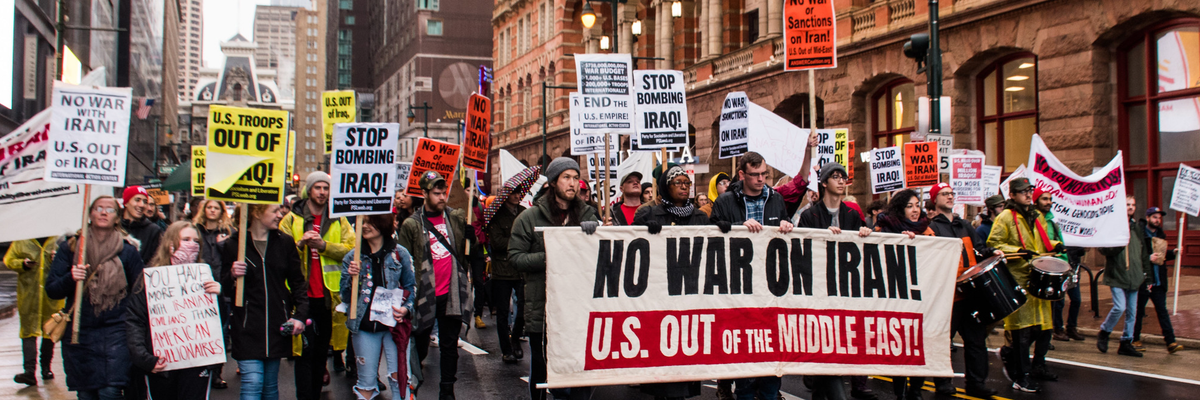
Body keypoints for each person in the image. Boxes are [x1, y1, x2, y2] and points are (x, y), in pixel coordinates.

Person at [509, 157, 600, 400]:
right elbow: (516, 259)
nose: (573, 183)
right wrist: (552, 254)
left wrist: (599, 233)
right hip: (543, 306)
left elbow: (604, 257)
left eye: (575, 177)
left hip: (579, 306)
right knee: (541, 368)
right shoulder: (529, 218)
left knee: (580, 369)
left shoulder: (589, 214)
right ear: (552, 182)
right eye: (566, 178)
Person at [709, 152, 794, 400]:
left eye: (764, 174)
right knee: (745, 349)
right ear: (742, 175)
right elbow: (712, 234)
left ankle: (770, 392)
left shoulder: (776, 199)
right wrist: (737, 228)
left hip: (770, 286)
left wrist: (787, 225)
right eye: (755, 174)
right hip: (739, 287)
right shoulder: (725, 202)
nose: (760, 179)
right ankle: (743, 390)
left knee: (771, 346)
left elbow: (785, 224)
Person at [45, 196, 146, 400]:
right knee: (86, 392)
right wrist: (70, 278)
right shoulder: (71, 248)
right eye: (98, 208)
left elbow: (140, 292)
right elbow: (52, 290)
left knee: (110, 391)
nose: (103, 212)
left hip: (116, 331)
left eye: (109, 210)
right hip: (79, 333)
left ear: (117, 218)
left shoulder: (128, 251)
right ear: (89, 214)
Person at [396, 171, 474, 400]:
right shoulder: (411, 224)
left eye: (443, 193)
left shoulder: (456, 217)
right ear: (425, 194)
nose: (441, 197)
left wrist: (473, 238)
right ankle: (413, 384)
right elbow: (403, 261)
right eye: (436, 193)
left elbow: (467, 253)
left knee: (449, 346)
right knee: (418, 344)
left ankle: (447, 390)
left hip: (451, 293)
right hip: (424, 295)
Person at [796, 161, 870, 400]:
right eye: (835, 177)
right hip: (819, 293)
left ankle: (815, 377)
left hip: (844, 293)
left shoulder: (852, 214)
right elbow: (803, 251)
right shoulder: (810, 215)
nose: (841, 181)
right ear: (825, 183)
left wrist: (866, 234)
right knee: (827, 350)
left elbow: (863, 249)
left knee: (832, 354)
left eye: (843, 177)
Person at [279, 171, 356, 399]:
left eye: (325, 188)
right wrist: (300, 243)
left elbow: (351, 251)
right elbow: (280, 253)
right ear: (309, 190)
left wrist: (324, 245)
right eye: (318, 188)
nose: (322, 192)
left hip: (327, 298)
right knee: (304, 352)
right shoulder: (291, 219)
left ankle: (314, 393)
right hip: (300, 298)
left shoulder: (338, 218)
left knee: (322, 352)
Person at [633, 163, 707, 399]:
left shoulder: (699, 216)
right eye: (678, 183)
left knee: (685, 350)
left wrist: (723, 230)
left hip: (689, 294)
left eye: (687, 183)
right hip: (659, 293)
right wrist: (644, 230)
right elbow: (630, 244)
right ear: (666, 187)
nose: (684, 187)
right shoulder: (649, 213)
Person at [125, 221, 223, 399]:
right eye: (186, 239)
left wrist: (218, 297)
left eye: (196, 241)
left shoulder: (205, 277)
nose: (192, 245)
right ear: (170, 245)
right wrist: (145, 359)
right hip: (162, 366)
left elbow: (218, 322)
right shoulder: (150, 278)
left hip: (197, 363)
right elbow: (135, 320)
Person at [223, 203, 308, 400]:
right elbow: (225, 288)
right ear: (256, 212)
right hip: (247, 325)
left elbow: (298, 282)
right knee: (252, 382)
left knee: (269, 386)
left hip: (277, 323)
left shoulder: (285, 242)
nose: (280, 215)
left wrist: (299, 315)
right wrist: (232, 275)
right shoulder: (234, 244)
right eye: (275, 211)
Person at [926, 183, 1002, 399]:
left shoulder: (965, 225)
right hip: (949, 296)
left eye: (951, 193)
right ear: (935, 199)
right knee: (944, 342)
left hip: (970, 292)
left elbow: (978, 248)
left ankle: (976, 383)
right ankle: (943, 383)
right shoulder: (932, 228)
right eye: (944, 194)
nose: (950, 197)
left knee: (976, 341)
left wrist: (990, 252)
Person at [987, 178, 1064, 393]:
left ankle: (1012, 355)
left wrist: (1057, 246)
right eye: (1023, 192)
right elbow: (994, 244)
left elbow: (1043, 243)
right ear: (1012, 195)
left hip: (1037, 281)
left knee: (1042, 330)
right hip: (1018, 280)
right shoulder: (1005, 217)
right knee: (1021, 332)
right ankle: (1021, 376)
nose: (1028, 195)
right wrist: (1017, 251)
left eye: (1030, 191)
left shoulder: (1036, 216)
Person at [341, 213, 417, 400]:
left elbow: (411, 288)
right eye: (362, 222)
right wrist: (352, 278)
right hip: (365, 327)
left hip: (394, 326)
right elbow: (344, 296)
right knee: (366, 385)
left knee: (399, 378)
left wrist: (406, 309)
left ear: (382, 224)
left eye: (370, 222)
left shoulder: (400, 254)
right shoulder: (352, 257)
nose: (365, 226)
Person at [872, 189, 933, 400]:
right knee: (900, 346)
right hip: (896, 297)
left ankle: (915, 390)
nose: (915, 210)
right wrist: (899, 240)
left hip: (920, 296)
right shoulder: (885, 227)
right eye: (910, 206)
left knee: (920, 345)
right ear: (900, 208)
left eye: (917, 205)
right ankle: (900, 392)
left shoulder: (927, 230)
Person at [482, 166, 541, 365]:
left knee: (523, 308)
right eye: (513, 192)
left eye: (519, 192)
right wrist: (517, 242)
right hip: (502, 270)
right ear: (506, 194)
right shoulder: (496, 215)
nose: (517, 195)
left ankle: (515, 338)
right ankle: (506, 350)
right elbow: (496, 242)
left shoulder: (525, 213)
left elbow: (532, 237)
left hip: (521, 269)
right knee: (503, 313)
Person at [1096, 196, 1153, 358]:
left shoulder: (1136, 227)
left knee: (1132, 312)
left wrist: (1147, 277)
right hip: (1117, 274)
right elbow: (1104, 249)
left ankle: (1126, 341)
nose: (1130, 207)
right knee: (1120, 307)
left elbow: (1143, 253)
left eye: (1133, 205)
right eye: (1127, 204)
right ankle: (1105, 331)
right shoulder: (1114, 226)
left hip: (1134, 275)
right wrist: (1118, 246)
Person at [5, 236, 63, 386]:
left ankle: (46, 368)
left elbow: (71, 263)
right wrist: (22, 264)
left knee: (49, 331)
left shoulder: (57, 241)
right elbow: (9, 260)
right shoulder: (22, 240)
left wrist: (58, 259)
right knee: (28, 333)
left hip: (51, 297)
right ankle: (29, 372)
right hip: (29, 297)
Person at [193, 199, 235, 388]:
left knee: (220, 331)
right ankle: (200, 370)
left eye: (216, 208)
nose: (212, 210)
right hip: (198, 288)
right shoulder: (194, 230)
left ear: (221, 211)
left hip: (221, 288)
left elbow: (234, 257)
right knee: (200, 331)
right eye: (209, 207)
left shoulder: (228, 233)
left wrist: (222, 245)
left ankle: (217, 372)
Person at [1133, 207, 1183, 353]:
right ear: (1147, 218)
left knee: (1162, 311)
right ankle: (1134, 339)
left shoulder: (1160, 234)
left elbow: (1160, 255)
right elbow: (1135, 254)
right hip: (1144, 280)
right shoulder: (1140, 233)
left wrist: (1172, 253)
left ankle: (1170, 341)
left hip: (1158, 281)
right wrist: (1148, 258)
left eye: (1159, 218)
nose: (1157, 220)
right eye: (1154, 217)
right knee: (1138, 311)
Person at [1038, 190, 1085, 343]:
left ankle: (1069, 327)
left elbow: (1058, 241)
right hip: (1046, 266)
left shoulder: (1052, 221)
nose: (1048, 202)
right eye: (1044, 199)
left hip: (1064, 264)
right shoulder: (1035, 221)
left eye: (1050, 199)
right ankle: (1052, 332)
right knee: (1055, 302)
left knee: (1074, 299)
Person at [122, 186, 163, 264]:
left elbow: (156, 261)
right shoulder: (115, 227)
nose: (142, 205)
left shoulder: (153, 230)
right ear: (126, 202)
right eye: (137, 200)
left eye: (145, 201)